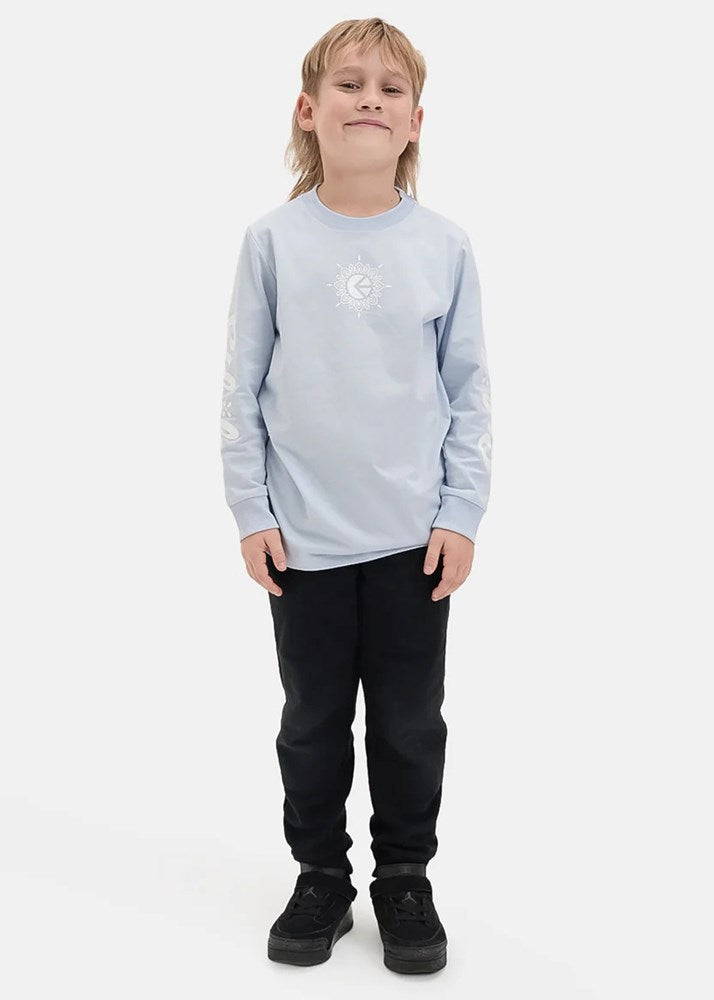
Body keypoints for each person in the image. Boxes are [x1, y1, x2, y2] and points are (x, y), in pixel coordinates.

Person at [220, 17, 492, 975]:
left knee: (411, 722)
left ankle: (404, 876)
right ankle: (321, 876)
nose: (368, 99)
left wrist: (461, 513)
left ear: (415, 121)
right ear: (309, 110)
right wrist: (252, 511)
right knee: (311, 720)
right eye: (348, 83)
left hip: (413, 541)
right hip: (304, 542)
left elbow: (468, 390)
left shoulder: (443, 247)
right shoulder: (273, 242)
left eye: (389, 88)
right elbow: (241, 387)